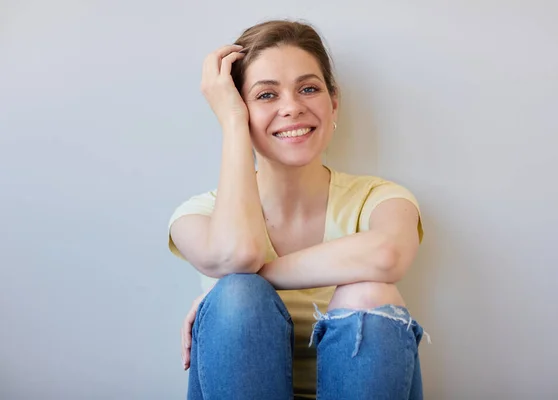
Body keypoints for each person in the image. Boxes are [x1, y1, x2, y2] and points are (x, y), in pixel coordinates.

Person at [168, 19, 427, 400]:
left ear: (333, 102)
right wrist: (234, 124)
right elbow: (239, 255)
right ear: (239, 108)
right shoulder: (199, 214)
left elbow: (388, 255)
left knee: (368, 292)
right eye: (266, 95)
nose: (292, 108)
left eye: (308, 89)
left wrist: (250, 280)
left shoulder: (380, 197)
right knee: (240, 293)